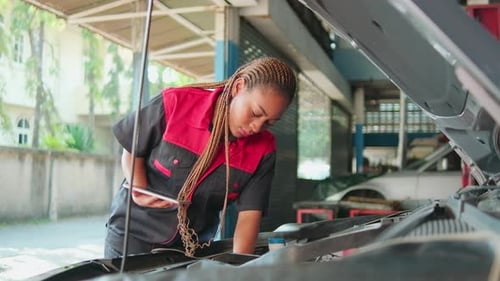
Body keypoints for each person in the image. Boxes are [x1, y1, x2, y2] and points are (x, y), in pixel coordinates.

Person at [104, 57, 297, 258]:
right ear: (238, 87)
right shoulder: (176, 104)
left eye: (269, 122)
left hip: (192, 248)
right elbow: (132, 149)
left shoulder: (263, 149)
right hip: (132, 235)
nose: (257, 127)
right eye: (256, 113)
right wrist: (139, 188)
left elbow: (249, 216)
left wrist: (241, 267)